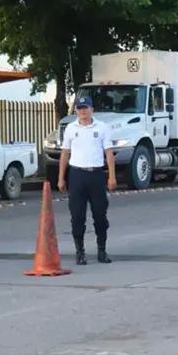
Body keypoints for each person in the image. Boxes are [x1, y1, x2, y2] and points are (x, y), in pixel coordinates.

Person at [58, 95, 117, 265]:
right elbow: (65, 153)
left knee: (100, 215)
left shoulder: (102, 127)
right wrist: (61, 178)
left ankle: (102, 250)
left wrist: (111, 176)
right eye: (79, 108)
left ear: (91, 109)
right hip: (77, 175)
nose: (83, 111)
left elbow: (108, 152)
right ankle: (80, 252)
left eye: (85, 108)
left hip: (96, 174)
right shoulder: (70, 128)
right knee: (77, 216)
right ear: (76, 110)